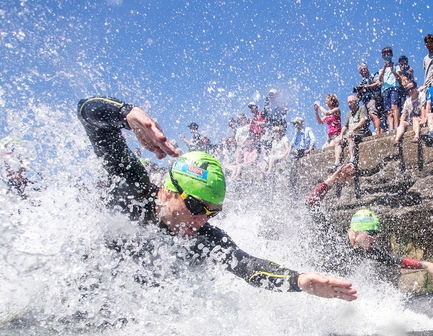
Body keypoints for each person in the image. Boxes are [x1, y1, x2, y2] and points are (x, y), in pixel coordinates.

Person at [76, 96, 356, 301]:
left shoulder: (204, 238)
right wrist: (126, 113)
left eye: (211, 213)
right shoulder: (132, 188)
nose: (201, 220)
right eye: (197, 206)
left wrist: (300, 280)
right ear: (171, 189)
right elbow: (87, 112)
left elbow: (247, 266)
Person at [307, 164, 433, 281]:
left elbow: (395, 260)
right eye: (371, 233)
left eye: (377, 233)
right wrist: (332, 180)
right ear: (357, 231)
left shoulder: (365, 250)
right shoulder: (333, 236)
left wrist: (425, 264)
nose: (375, 238)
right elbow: (311, 204)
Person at [333, 95, 371, 170]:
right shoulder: (349, 113)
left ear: (356, 102)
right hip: (351, 134)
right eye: (348, 103)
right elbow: (345, 126)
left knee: (349, 135)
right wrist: (340, 135)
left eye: (350, 102)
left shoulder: (362, 109)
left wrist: (352, 130)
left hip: (361, 133)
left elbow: (362, 121)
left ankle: (352, 160)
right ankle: (337, 163)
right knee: (337, 140)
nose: (349, 104)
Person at [378, 47, 403, 132]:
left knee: (394, 107)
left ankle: (397, 126)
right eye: (384, 53)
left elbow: (399, 78)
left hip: (394, 87)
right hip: (385, 89)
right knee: (388, 110)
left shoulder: (396, 66)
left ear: (391, 54)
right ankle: (391, 128)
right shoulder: (381, 69)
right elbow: (380, 80)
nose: (386, 54)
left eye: (388, 53)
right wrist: (385, 68)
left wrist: (393, 70)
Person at [356, 63, 383, 133]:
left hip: (372, 99)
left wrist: (367, 86)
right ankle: (372, 132)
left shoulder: (373, 76)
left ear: (367, 69)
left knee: (373, 115)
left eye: (364, 69)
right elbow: (358, 97)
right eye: (361, 70)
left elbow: (378, 82)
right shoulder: (362, 82)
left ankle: (377, 131)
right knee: (367, 119)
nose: (363, 71)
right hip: (365, 102)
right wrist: (359, 90)